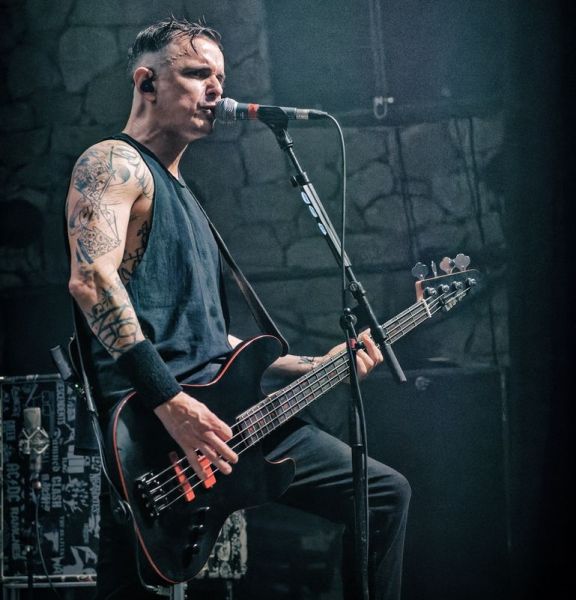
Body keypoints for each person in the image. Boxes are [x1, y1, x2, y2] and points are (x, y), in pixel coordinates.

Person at [65, 17, 410, 600]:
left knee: (381, 493)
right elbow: (92, 281)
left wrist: (315, 366)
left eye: (220, 78)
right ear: (147, 83)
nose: (216, 90)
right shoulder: (113, 163)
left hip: (224, 417)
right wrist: (172, 403)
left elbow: (208, 338)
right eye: (197, 73)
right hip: (155, 428)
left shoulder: (188, 197)